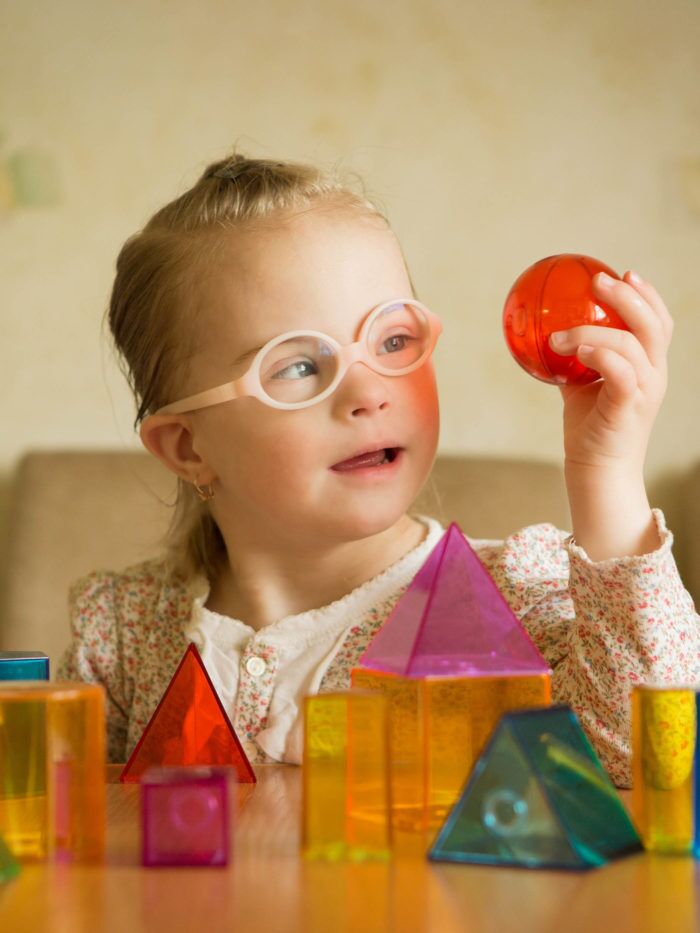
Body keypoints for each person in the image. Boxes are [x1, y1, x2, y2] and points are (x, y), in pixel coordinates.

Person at [58, 153, 699, 785]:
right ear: (187, 447)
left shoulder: (508, 596)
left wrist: (605, 472)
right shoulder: (122, 633)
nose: (368, 392)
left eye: (392, 341)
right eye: (298, 366)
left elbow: (652, 755)